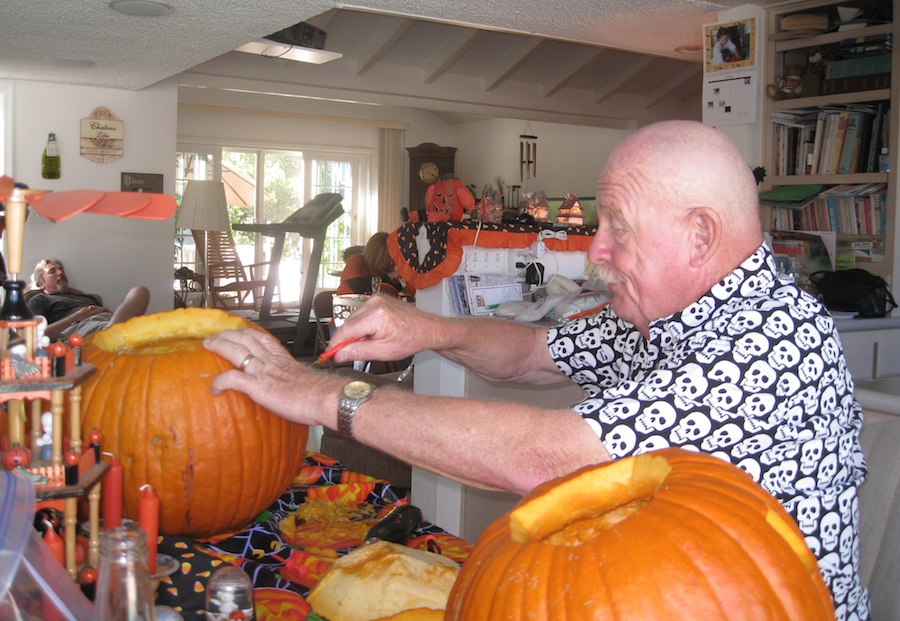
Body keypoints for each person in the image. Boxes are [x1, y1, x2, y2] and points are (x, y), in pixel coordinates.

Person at [203, 121, 868, 618]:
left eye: (618, 228)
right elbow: (532, 353)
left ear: (699, 235)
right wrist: (430, 328)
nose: (597, 251)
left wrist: (323, 396)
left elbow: (547, 457)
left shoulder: (771, 336)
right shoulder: (658, 314)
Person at [27, 259, 150, 343]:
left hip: (106, 322)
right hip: (79, 328)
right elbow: (35, 336)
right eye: (52, 271)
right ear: (41, 283)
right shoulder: (40, 299)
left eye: (61, 270)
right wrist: (78, 316)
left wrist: (106, 312)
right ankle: (114, 338)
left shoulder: (88, 298)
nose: (61, 273)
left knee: (140, 291)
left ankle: (116, 335)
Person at [337, 232, 410, 298]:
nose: (390, 259)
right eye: (387, 255)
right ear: (376, 254)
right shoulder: (355, 262)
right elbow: (363, 290)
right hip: (350, 306)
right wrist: (390, 277)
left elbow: (397, 292)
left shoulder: (384, 269)